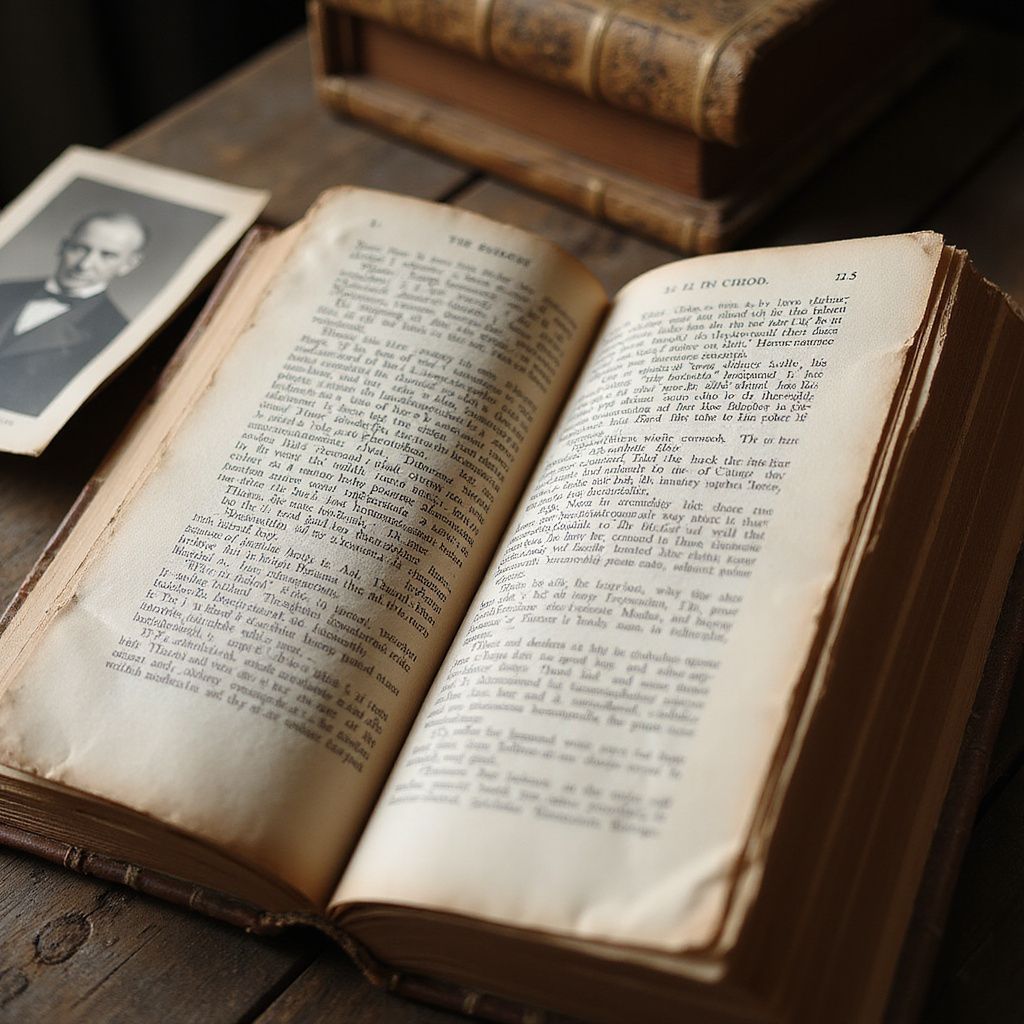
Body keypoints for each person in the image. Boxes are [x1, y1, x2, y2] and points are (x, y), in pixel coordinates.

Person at [0, 211, 148, 417]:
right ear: (63, 245)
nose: (84, 265)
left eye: (107, 255)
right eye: (80, 248)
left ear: (129, 264)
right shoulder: (3, 290)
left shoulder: (116, 333)